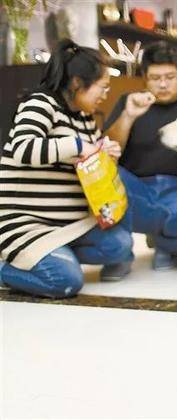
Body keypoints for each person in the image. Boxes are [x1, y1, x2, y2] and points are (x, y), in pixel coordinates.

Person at [0, 39, 132, 298]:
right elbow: (23, 148)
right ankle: (9, 266)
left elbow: (86, 165)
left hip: (70, 225)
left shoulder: (84, 117)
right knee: (65, 281)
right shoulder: (40, 104)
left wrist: (104, 156)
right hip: (26, 223)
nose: (105, 95)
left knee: (121, 245)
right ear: (76, 84)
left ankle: (53, 255)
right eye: (102, 87)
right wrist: (78, 145)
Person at [103, 41, 177, 270]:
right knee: (103, 172)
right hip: (135, 188)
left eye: (170, 77)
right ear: (144, 79)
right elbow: (107, 153)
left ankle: (166, 246)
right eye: (156, 78)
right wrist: (128, 116)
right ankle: (118, 253)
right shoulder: (129, 102)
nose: (163, 84)